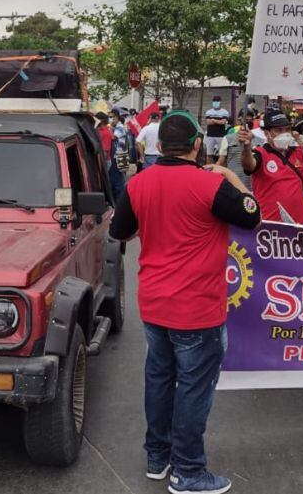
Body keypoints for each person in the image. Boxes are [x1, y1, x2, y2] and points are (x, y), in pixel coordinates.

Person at [109, 111, 261, 494]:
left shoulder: (139, 183)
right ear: (197, 144)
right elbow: (252, 216)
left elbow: (119, 232)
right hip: (197, 309)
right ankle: (188, 471)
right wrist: (229, 177)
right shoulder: (210, 185)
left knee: (159, 379)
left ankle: (158, 458)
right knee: (193, 388)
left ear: (159, 146)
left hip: (154, 304)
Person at [238, 110, 303, 224]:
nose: (284, 133)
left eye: (287, 129)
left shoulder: (298, 152)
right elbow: (249, 165)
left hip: (301, 225)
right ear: (267, 133)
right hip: (271, 227)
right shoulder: (261, 153)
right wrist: (246, 147)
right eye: (278, 130)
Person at [203, 96, 229, 164]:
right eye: (214, 101)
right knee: (209, 154)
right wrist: (218, 121)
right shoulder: (209, 112)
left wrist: (213, 120)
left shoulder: (225, 112)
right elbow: (208, 122)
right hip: (210, 136)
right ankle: (210, 168)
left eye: (217, 101)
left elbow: (223, 122)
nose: (216, 103)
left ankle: (221, 168)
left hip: (220, 136)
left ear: (220, 102)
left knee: (222, 154)